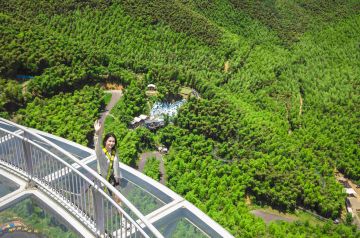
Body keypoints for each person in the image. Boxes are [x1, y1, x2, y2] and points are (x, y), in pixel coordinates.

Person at [94, 120, 122, 197]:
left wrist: (118, 180)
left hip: (113, 180)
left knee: (117, 199)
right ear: (105, 141)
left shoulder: (114, 152)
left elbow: (117, 166)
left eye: (113, 141)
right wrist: (97, 133)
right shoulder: (101, 153)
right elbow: (97, 145)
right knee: (106, 198)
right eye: (109, 141)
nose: (111, 143)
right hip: (104, 180)